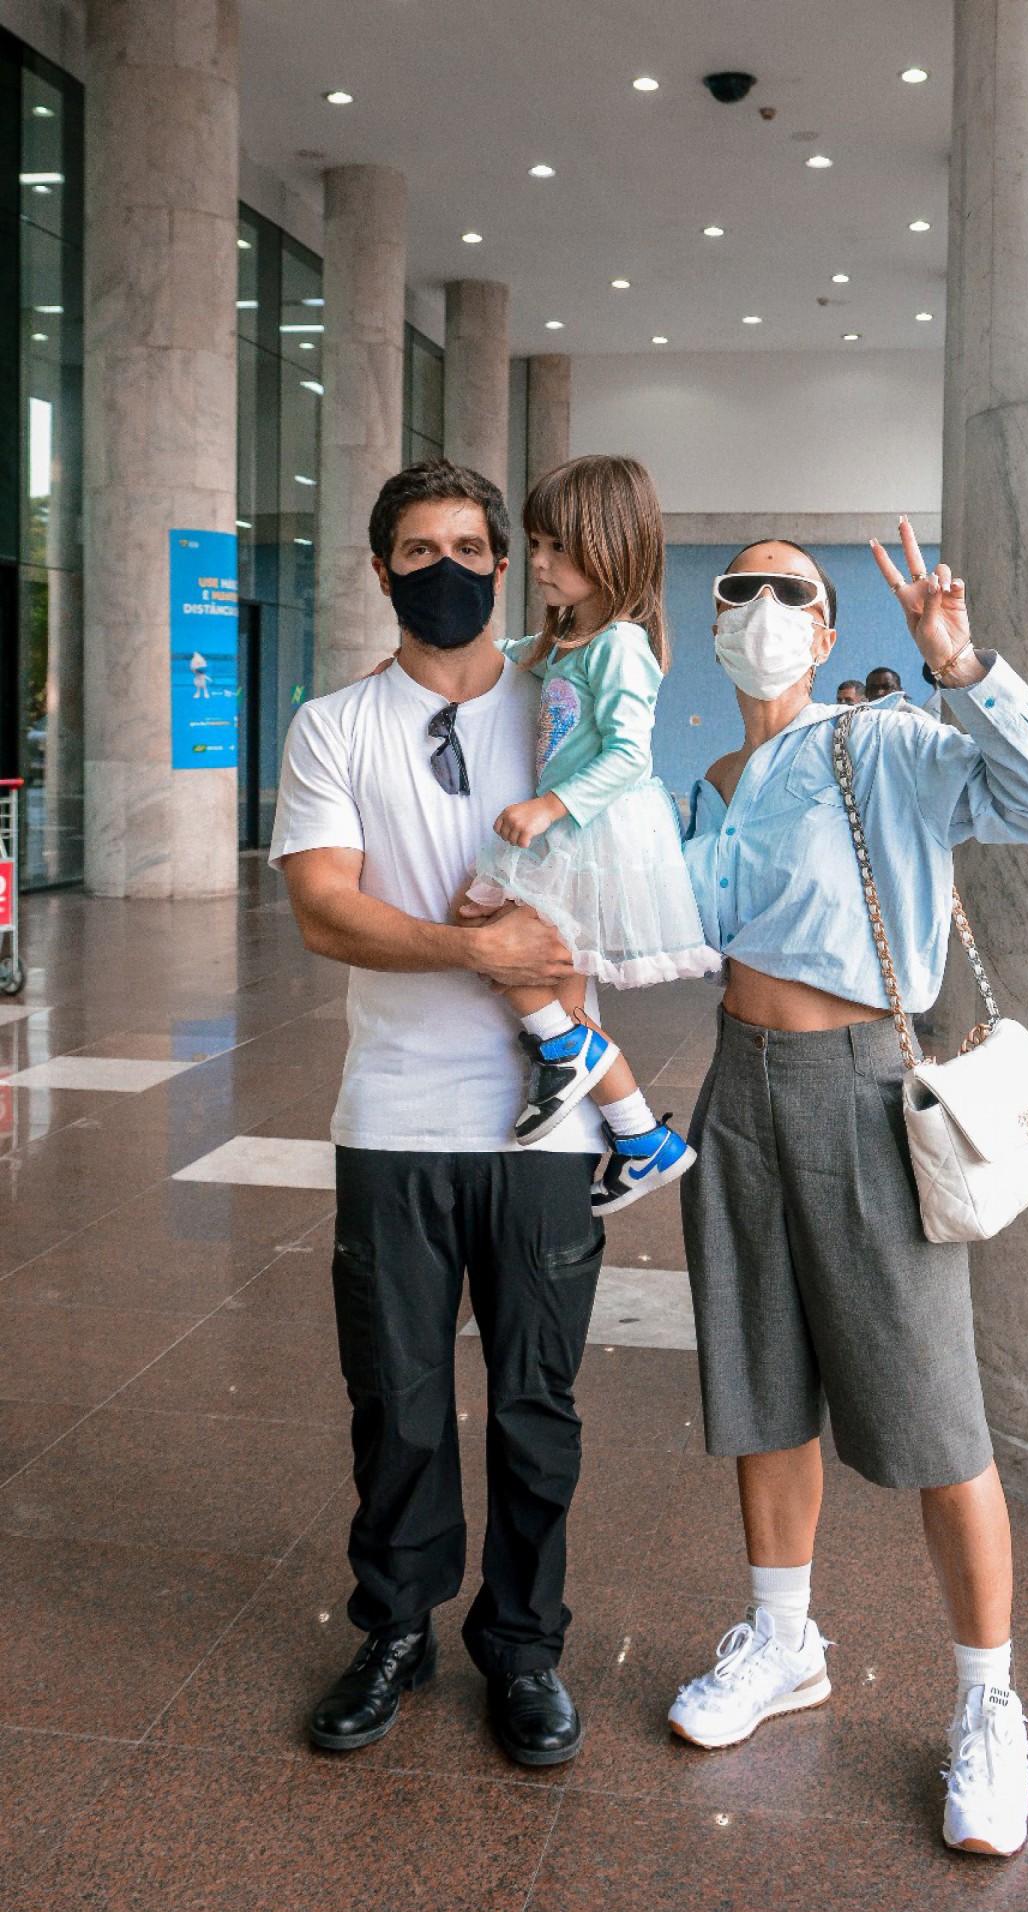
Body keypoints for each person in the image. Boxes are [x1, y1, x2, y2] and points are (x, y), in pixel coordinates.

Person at [668, 521, 1028, 1858]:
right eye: (740, 585)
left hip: (862, 1086)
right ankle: (784, 1641)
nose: (761, 604)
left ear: (830, 626)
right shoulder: (717, 775)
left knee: (930, 1405)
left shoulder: (886, 741)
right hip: (737, 1090)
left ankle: (987, 1706)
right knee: (762, 1379)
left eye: (791, 587)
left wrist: (961, 662)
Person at [271, 457, 607, 1771]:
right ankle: (397, 1628)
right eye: (420, 552)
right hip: (397, 1117)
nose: (450, 570)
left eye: (472, 546)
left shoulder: (563, 717)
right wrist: (472, 954)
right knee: (399, 1400)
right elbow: (322, 906)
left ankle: (523, 1651)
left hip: (550, 1126)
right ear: (380, 571)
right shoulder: (334, 726)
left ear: (506, 564)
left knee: (536, 1402)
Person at [466, 455, 721, 1215]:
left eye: (556, 549)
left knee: (488, 933)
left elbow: (629, 755)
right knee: (546, 984)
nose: (537, 565)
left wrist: (550, 807)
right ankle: (641, 1138)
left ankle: (567, 1055)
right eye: (535, 546)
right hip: (571, 836)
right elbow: (505, 658)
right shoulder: (566, 640)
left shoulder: (620, 647)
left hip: (593, 835)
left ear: (610, 548)